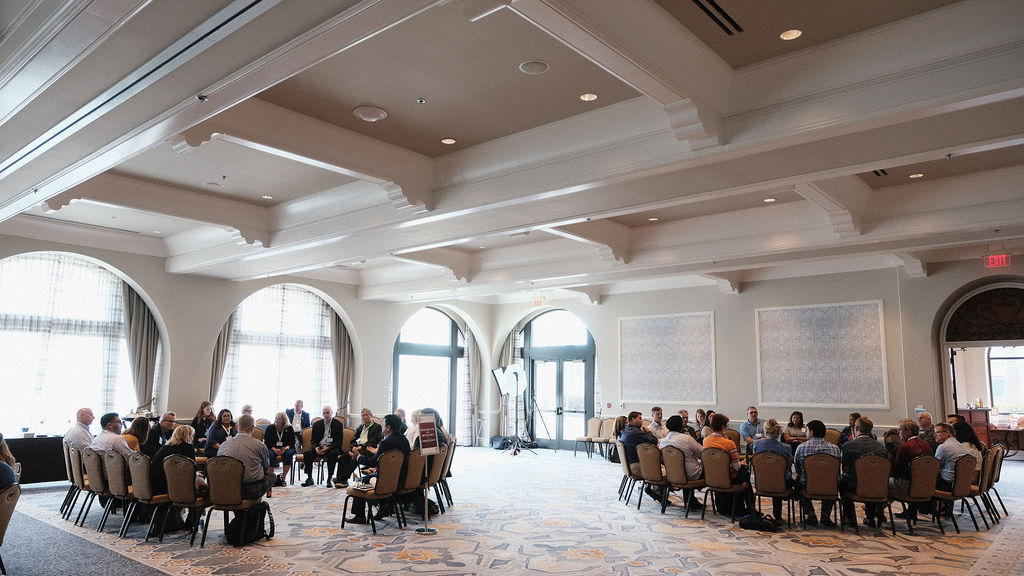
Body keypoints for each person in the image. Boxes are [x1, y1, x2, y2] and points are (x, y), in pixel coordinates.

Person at [345, 413, 411, 525]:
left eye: (384, 425)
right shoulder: (404, 439)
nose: (382, 428)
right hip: (401, 478)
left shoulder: (386, 442)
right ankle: (383, 507)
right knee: (371, 476)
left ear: (388, 427)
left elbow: (373, 462)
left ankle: (360, 516)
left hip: (386, 481)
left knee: (360, 481)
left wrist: (358, 457)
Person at [839, 416, 887, 528]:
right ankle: (870, 517)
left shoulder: (848, 446)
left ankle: (849, 517)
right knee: (871, 479)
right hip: (877, 486)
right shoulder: (881, 447)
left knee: (842, 482)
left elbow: (845, 469)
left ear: (856, 428)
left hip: (855, 485)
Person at [703, 413, 753, 513]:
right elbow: (736, 467)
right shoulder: (729, 443)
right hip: (729, 477)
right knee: (745, 473)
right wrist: (741, 463)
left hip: (712, 477)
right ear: (723, 426)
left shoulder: (706, 441)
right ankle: (749, 507)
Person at [793, 419, 841, 527]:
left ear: (811, 432)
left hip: (808, 485)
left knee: (798, 483)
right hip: (830, 486)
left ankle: (810, 514)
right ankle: (825, 515)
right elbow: (836, 470)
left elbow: (798, 469)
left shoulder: (801, 447)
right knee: (831, 481)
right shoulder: (835, 449)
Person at [217, 414, 275, 500]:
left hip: (228, 487)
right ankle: (256, 504)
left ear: (237, 427)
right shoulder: (259, 445)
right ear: (252, 428)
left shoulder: (224, 445)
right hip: (250, 489)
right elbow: (265, 467)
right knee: (272, 476)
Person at [888, 418, 933, 520]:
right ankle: (910, 512)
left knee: (883, 483)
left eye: (900, 430)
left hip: (908, 485)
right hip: (926, 484)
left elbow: (896, 471)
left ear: (908, 432)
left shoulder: (904, 447)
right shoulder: (927, 446)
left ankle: (875, 513)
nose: (898, 433)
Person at [658, 414, 703, 509]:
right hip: (692, 474)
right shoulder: (686, 439)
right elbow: (703, 453)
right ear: (681, 425)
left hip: (673, 475)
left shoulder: (663, 442)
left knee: (684, 469)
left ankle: (690, 500)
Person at [752, 418, 793, 519]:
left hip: (761, 482)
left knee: (773, 476)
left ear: (765, 431)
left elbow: (755, 463)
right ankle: (778, 515)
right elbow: (787, 467)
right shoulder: (787, 448)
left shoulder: (756, 444)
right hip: (781, 484)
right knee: (780, 477)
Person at [334, 408, 382, 487]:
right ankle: (339, 478)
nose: (365, 417)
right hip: (357, 448)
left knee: (355, 458)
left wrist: (361, 447)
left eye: (367, 415)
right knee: (343, 457)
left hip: (368, 449)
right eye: (363, 415)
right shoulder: (360, 427)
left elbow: (374, 441)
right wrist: (353, 447)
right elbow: (353, 439)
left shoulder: (377, 427)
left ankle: (344, 480)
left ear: (371, 415)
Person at [619, 411, 659, 500]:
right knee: (661, 469)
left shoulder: (625, 431)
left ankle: (655, 489)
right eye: (640, 418)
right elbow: (654, 441)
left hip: (629, 465)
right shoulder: (636, 432)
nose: (642, 421)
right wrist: (649, 432)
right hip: (637, 466)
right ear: (633, 419)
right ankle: (656, 491)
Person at [303, 405, 344, 487]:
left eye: (328, 413)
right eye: (324, 413)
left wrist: (328, 448)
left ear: (332, 413)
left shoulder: (338, 424)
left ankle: (329, 478)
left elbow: (339, 442)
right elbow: (313, 440)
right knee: (307, 453)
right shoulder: (317, 424)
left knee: (333, 454)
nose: (326, 415)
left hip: (332, 447)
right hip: (320, 447)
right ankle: (309, 478)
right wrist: (316, 448)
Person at [150, 425, 198, 494]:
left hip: (155, 484)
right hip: (169, 485)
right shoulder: (188, 447)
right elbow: (192, 469)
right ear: (189, 436)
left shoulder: (165, 446)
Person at [933, 422, 969, 493]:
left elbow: (935, 467)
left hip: (948, 485)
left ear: (947, 433)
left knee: (922, 484)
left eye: (937, 432)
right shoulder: (960, 445)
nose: (934, 435)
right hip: (962, 484)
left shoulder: (944, 447)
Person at [264, 412, 296, 486]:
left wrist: (286, 448)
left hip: (286, 448)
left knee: (288, 454)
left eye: (278, 419)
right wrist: (274, 449)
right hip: (272, 448)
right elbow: (267, 442)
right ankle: (271, 479)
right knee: (270, 454)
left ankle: (283, 478)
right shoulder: (270, 428)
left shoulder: (289, 428)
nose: (276, 421)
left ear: (284, 421)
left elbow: (292, 442)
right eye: (275, 418)